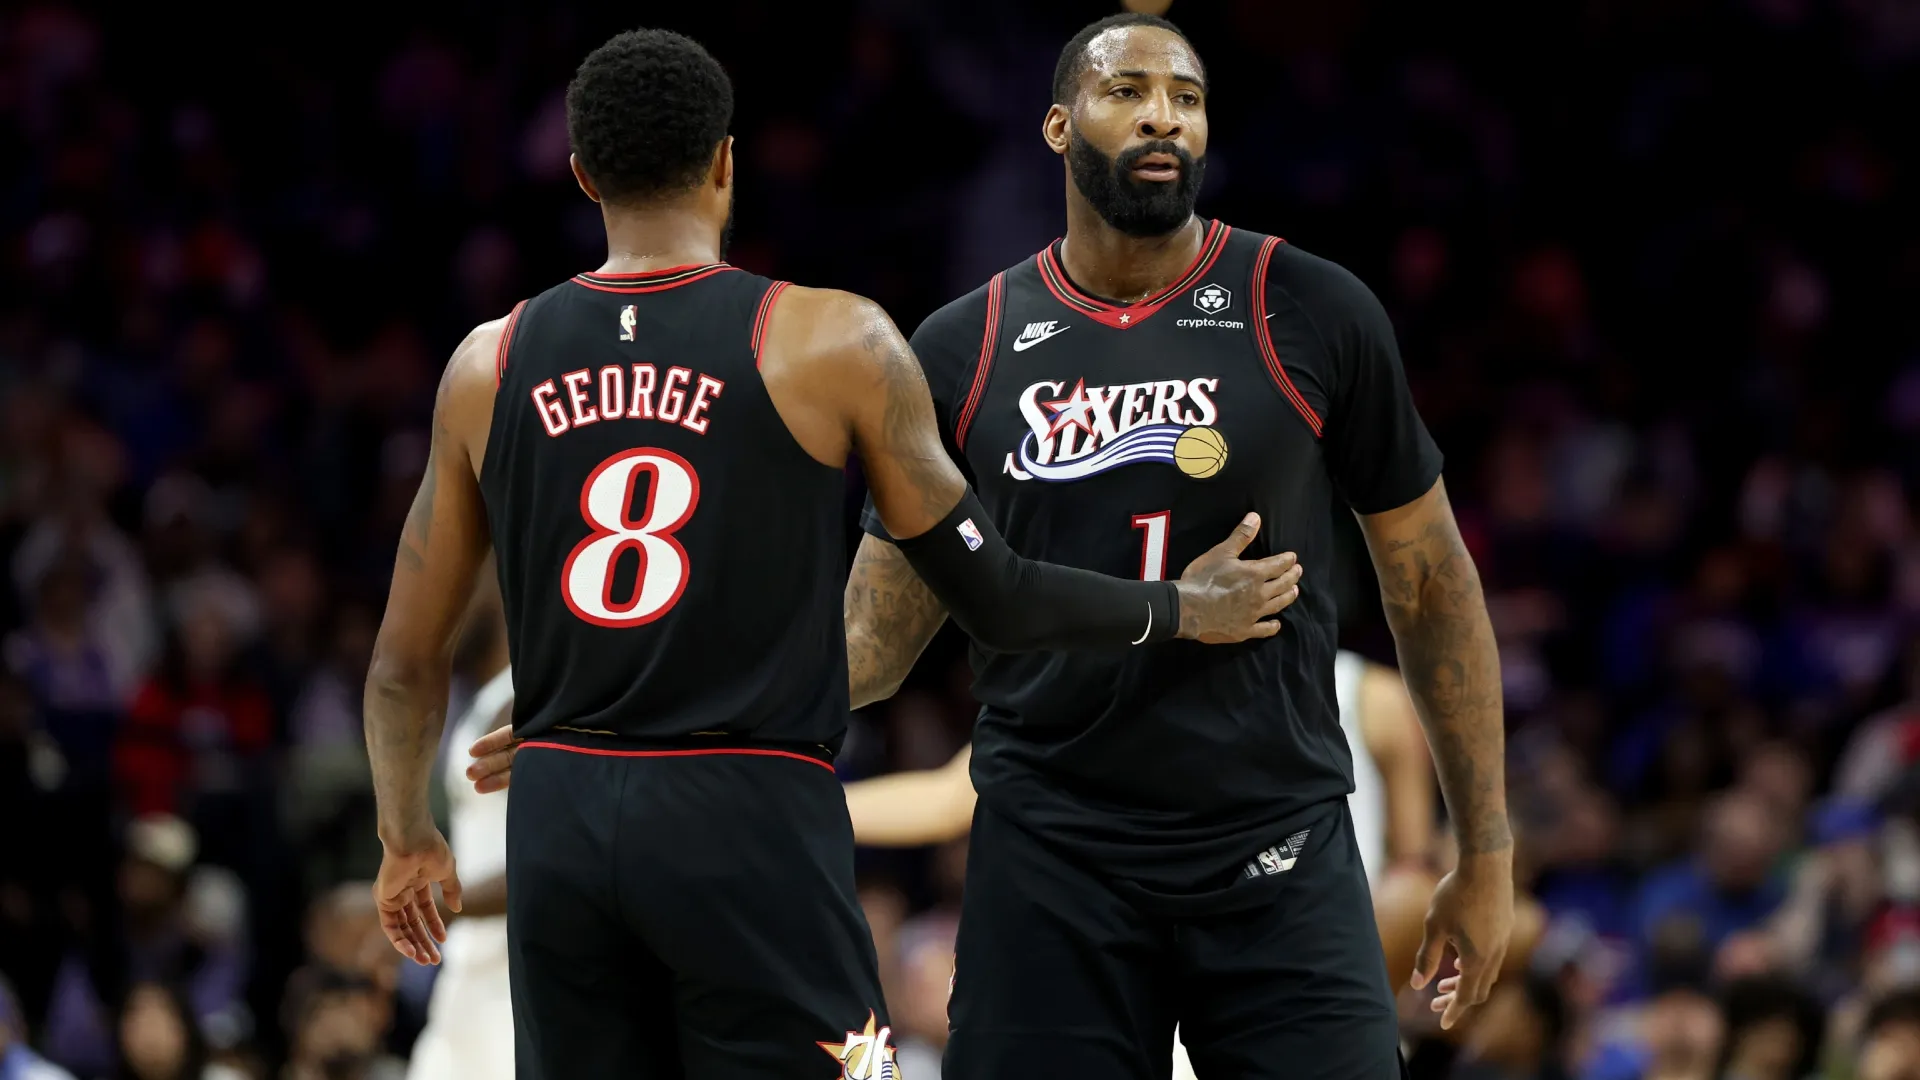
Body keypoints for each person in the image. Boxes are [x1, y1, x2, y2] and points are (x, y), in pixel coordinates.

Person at [469, 14, 1513, 1079]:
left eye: (1187, 98)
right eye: (1128, 92)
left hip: (1274, 848)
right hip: (1051, 858)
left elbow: (1430, 580)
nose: (1163, 116)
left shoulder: (1310, 306)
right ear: (1058, 126)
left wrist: (1484, 849)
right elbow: (870, 643)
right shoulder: (961, 346)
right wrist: (628, 700)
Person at [402, 577, 512, 1080]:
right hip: (473, 967)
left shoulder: (525, 703)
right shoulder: (488, 699)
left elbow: (557, 861)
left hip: (512, 978)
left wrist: (427, 902)